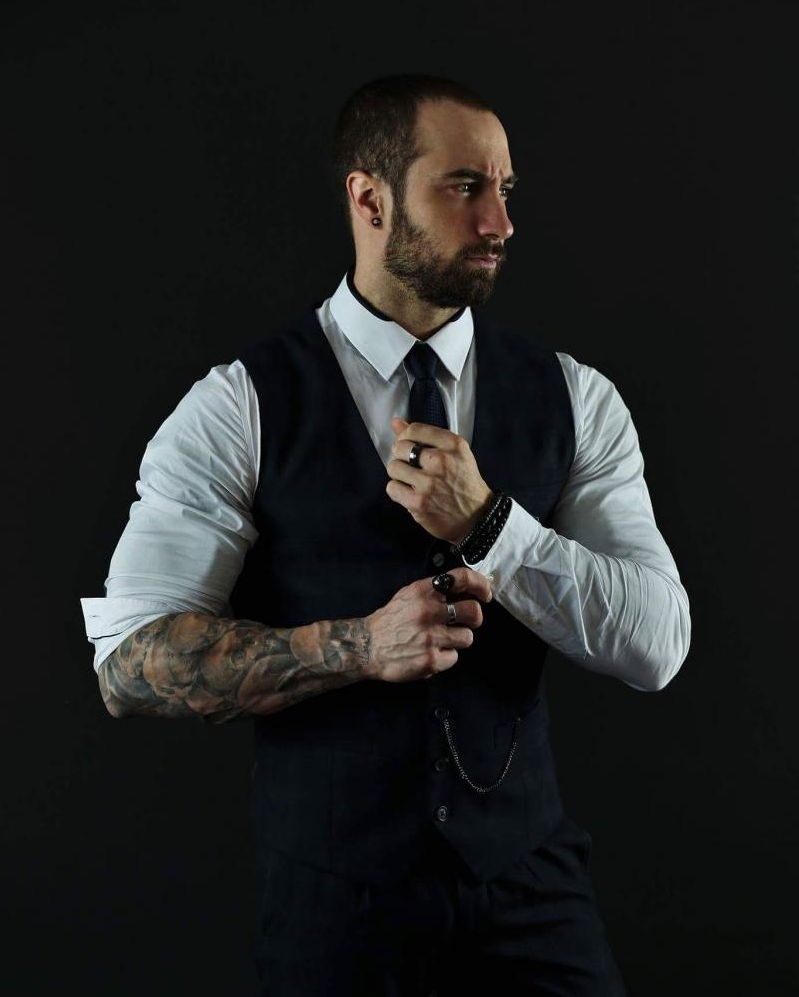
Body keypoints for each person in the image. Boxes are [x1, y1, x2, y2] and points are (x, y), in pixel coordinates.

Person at [81, 74, 690, 996]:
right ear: (370, 199)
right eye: (464, 187)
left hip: (530, 888)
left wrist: (491, 524)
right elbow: (130, 663)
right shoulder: (239, 407)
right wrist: (360, 647)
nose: (500, 222)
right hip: (336, 907)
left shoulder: (577, 398)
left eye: (505, 190)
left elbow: (658, 645)